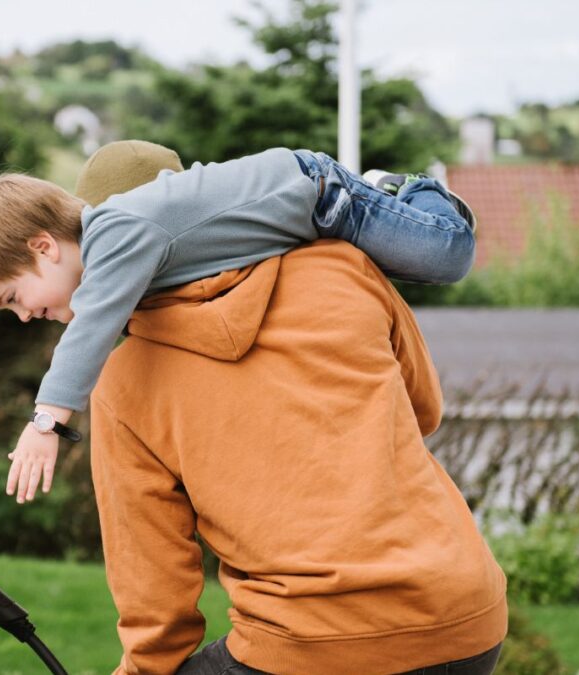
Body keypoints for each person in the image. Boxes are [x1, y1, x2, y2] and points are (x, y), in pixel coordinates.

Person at [82, 167, 506, 672]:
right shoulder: (341, 266)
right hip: (463, 618)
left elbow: (154, 587)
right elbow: (422, 408)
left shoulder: (123, 382)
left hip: (310, 644)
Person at [0, 141, 477, 503]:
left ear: (43, 247)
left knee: (447, 254)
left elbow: (92, 327)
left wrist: (46, 424)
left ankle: (409, 189)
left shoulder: (115, 233)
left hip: (321, 195)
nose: (25, 315)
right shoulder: (124, 264)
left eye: (14, 297)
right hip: (290, 214)